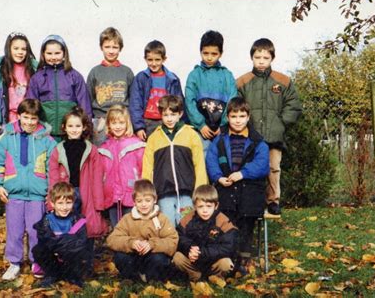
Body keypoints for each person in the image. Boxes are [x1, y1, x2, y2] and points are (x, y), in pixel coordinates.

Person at [0, 98, 57, 280]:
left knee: (36, 231)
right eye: (25, 117)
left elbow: (53, 169)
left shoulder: (47, 140)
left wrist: (50, 194)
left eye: (33, 118)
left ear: (38, 119)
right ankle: (14, 263)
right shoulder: (6, 137)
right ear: (19, 116)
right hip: (13, 194)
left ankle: (37, 261)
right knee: (15, 230)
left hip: (37, 194)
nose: (29, 122)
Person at [237, 38, 302, 215]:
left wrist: (280, 123)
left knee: (273, 168)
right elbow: (236, 107)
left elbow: (293, 105)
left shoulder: (283, 81)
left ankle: (273, 201)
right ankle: (254, 201)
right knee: (251, 168)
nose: (261, 61)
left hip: (274, 136)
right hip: (250, 136)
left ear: (272, 58)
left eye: (265, 57)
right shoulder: (242, 82)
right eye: (257, 57)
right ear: (252, 57)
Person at [205, 97, 269, 275]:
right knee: (227, 226)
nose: (238, 120)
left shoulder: (258, 141)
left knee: (246, 225)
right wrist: (218, 178)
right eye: (234, 116)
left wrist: (242, 174)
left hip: (249, 192)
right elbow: (211, 161)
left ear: (248, 117)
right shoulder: (219, 140)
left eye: (242, 116)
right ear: (228, 118)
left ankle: (245, 259)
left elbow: (262, 165)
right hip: (226, 190)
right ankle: (229, 261)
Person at [48, 107, 108, 275]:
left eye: (77, 126)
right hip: (66, 195)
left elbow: (97, 178)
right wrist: (52, 201)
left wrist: (98, 203)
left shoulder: (91, 150)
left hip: (86, 193)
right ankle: (68, 266)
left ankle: (86, 265)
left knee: (87, 230)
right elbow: (53, 177)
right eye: (70, 126)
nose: (74, 130)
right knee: (67, 229)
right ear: (64, 128)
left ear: (84, 128)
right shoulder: (58, 150)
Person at [142, 95, 208, 226]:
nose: (169, 119)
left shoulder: (191, 135)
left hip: (187, 193)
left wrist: (199, 189)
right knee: (168, 227)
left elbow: (199, 164)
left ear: (180, 114)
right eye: (166, 115)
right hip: (164, 192)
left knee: (188, 226)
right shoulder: (154, 138)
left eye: (173, 114)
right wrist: (147, 192)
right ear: (160, 115)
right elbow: (148, 166)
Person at [106, 179, 178, 282]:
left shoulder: (162, 219)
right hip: (134, 257)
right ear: (134, 202)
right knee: (120, 256)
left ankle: (152, 279)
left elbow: (172, 241)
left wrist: (152, 245)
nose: (144, 204)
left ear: (155, 199)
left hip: (152, 257)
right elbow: (112, 239)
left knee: (159, 259)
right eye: (139, 201)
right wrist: (132, 243)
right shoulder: (127, 218)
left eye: (147, 200)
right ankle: (132, 278)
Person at [27, 34, 92, 140]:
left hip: (70, 134)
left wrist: (87, 131)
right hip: (45, 134)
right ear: (43, 54)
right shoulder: (37, 78)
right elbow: (30, 106)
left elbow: (84, 105)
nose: (53, 57)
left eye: (57, 53)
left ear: (64, 53)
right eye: (49, 53)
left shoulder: (74, 76)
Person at [184, 30, 237, 153]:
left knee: (224, 159)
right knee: (203, 158)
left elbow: (232, 101)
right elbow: (189, 101)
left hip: (222, 129)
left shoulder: (227, 75)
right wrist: (200, 124)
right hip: (201, 130)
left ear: (221, 54)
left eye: (214, 54)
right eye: (205, 53)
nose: (209, 57)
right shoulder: (194, 75)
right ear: (200, 51)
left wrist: (223, 125)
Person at [173, 185, 238, 281]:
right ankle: (196, 276)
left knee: (226, 264)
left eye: (209, 206)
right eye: (200, 206)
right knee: (177, 257)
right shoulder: (187, 219)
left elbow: (227, 247)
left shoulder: (223, 221)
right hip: (193, 261)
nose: (205, 210)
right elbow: (179, 237)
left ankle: (215, 278)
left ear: (216, 206)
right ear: (195, 206)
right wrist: (190, 248)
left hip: (213, 262)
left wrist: (202, 253)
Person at [32, 182, 89, 287]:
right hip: (54, 258)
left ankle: (73, 276)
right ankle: (52, 274)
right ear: (53, 204)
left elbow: (81, 242)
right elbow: (45, 239)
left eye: (68, 203)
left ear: (73, 203)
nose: (64, 207)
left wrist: (60, 243)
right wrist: (65, 241)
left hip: (70, 258)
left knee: (79, 249)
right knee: (38, 249)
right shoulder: (47, 220)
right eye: (60, 203)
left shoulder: (77, 219)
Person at [98, 105, 145, 227]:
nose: (118, 126)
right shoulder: (104, 147)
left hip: (132, 194)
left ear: (127, 123)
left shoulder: (137, 145)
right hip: (112, 196)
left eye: (121, 123)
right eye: (114, 123)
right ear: (108, 125)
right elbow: (101, 173)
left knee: (133, 229)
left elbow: (143, 170)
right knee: (117, 231)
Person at [129, 40, 184, 141]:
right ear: (145, 59)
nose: (154, 63)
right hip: (147, 123)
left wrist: (179, 124)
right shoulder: (141, 78)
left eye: (157, 60)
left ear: (164, 59)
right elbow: (135, 104)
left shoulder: (172, 79)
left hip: (167, 122)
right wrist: (139, 127)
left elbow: (179, 103)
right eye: (150, 60)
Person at [86, 27, 134, 146]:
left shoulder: (127, 72)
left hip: (121, 121)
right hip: (101, 120)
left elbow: (132, 98)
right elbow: (89, 98)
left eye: (115, 47)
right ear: (101, 47)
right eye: (107, 47)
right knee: (101, 153)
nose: (111, 51)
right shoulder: (95, 72)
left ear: (120, 48)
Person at [0, 31, 38, 135]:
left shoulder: (34, 70)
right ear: (8, 49)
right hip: (8, 123)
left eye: (24, 49)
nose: (20, 52)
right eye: (16, 48)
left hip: (29, 121)